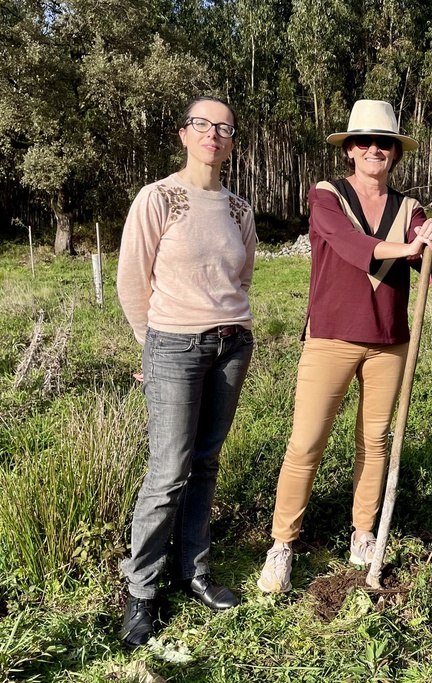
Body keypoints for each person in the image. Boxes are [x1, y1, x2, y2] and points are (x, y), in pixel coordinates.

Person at [258, 100, 432, 594]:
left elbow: (421, 255)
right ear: (349, 150)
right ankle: (282, 545)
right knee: (306, 443)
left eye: (383, 143)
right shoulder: (327, 194)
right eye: (363, 142)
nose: (373, 150)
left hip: (389, 342)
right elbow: (341, 239)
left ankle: (364, 534)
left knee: (375, 441)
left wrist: (428, 243)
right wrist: (404, 249)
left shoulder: (409, 207)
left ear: (395, 153)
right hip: (331, 337)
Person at [116, 96, 256, 647]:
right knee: (168, 470)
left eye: (224, 128)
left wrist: (232, 327)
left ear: (231, 142)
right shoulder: (159, 199)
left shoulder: (239, 209)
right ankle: (141, 590)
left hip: (231, 345)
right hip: (172, 344)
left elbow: (242, 278)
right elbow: (132, 280)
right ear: (184, 134)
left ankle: (192, 570)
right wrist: (149, 348)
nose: (213, 135)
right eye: (203, 125)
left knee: (205, 462)